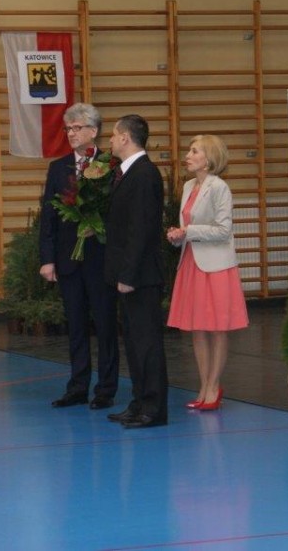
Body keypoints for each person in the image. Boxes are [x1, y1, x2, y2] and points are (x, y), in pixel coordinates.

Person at [39, 103, 119, 410]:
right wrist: (47, 259)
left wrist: (97, 226)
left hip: (101, 258)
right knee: (75, 325)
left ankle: (106, 389)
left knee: (105, 325)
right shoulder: (58, 167)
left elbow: (118, 213)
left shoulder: (111, 165)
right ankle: (77, 386)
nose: (71, 133)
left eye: (77, 128)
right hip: (68, 259)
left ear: (93, 131)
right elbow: (48, 216)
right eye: (68, 128)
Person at [166, 135, 249, 411]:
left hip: (216, 266)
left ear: (209, 159)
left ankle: (214, 386)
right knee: (198, 328)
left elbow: (224, 230)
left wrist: (188, 231)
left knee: (217, 329)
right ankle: (203, 386)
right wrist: (178, 236)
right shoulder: (189, 185)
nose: (187, 156)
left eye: (194, 151)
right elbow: (189, 228)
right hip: (192, 262)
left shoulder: (219, 187)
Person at [104, 114, 168, 428]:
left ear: (126, 137)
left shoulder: (143, 174)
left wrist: (128, 275)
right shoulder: (128, 172)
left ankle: (153, 408)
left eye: (114, 134)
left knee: (147, 343)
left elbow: (141, 230)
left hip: (140, 276)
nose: (110, 140)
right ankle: (140, 401)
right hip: (131, 274)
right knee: (133, 343)